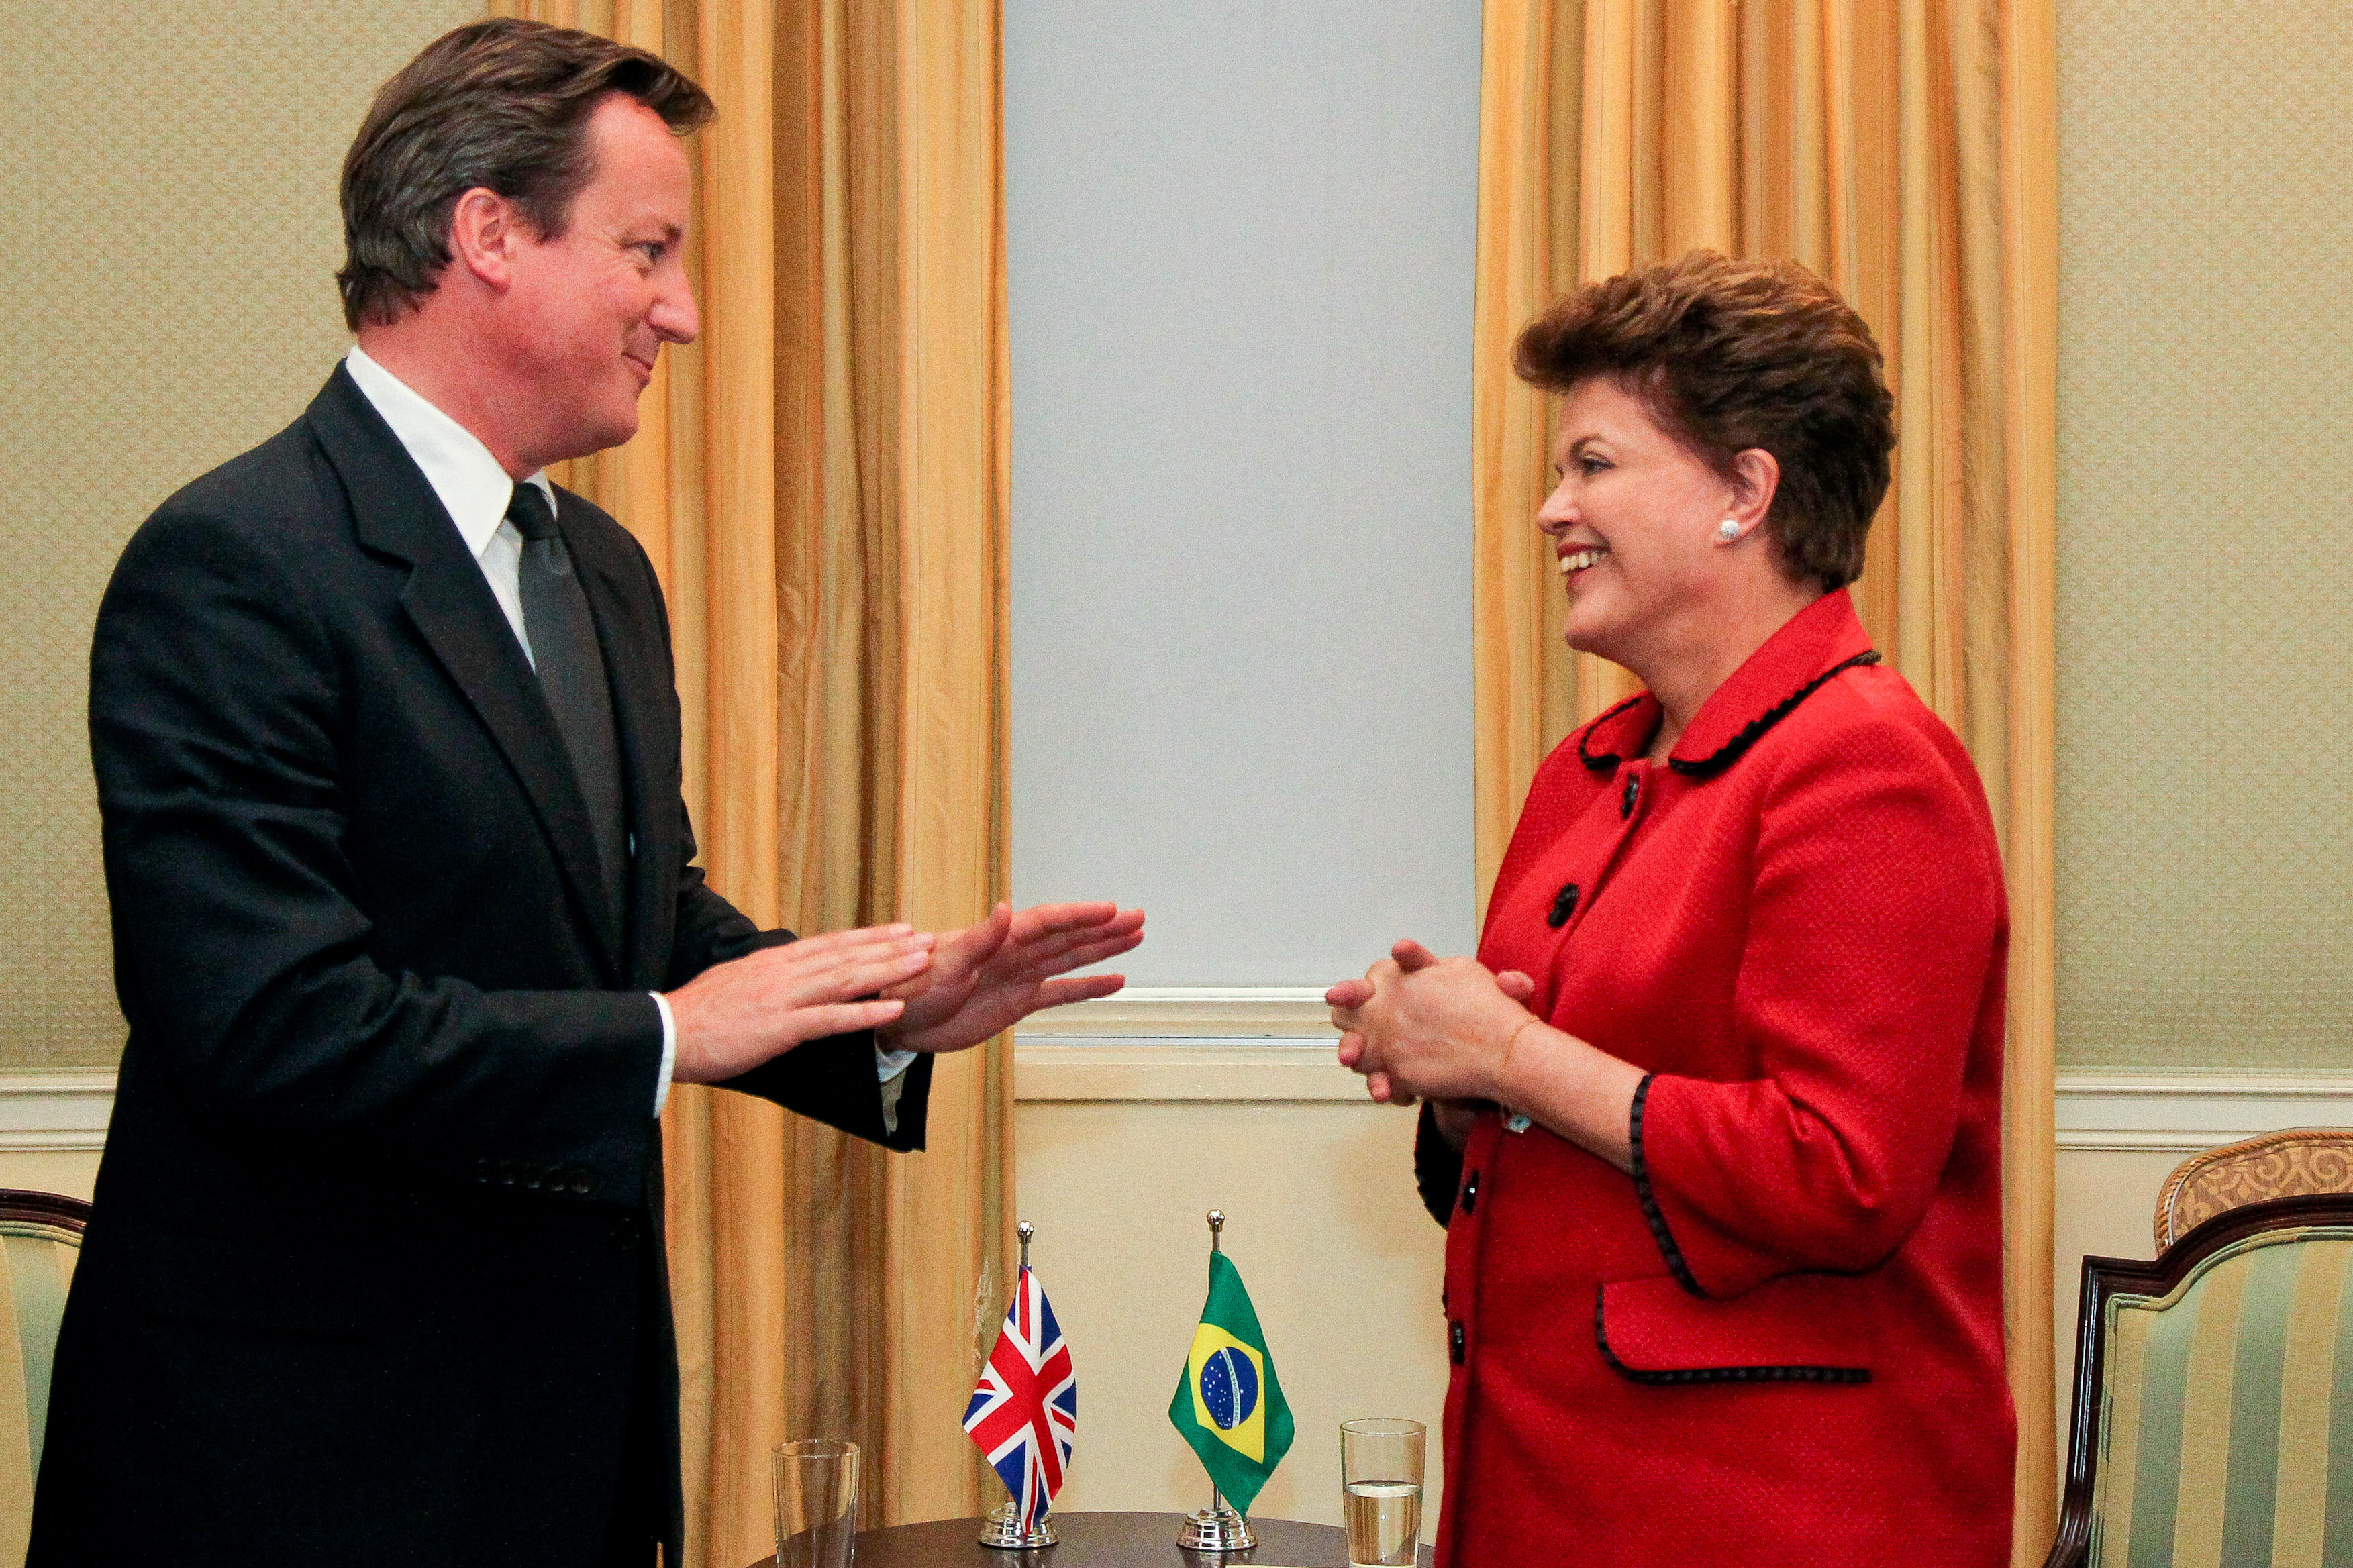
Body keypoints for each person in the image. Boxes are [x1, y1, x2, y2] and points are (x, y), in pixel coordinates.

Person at [29, 21, 1141, 1568]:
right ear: (489, 232)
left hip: (565, 1439)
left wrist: (882, 1014)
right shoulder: (234, 562)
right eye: (648, 250)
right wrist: (677, 1035)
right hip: (299, 1463)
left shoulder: (598, 569)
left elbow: (641, 918)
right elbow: (268, 1021)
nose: (678, 314)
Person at [1328, 252, 2013, 1567]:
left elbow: (1839, 1174)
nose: (1549, 509)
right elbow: (1552, 1152)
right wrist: (1451, 1076)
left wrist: (1506, 1050)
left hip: (1771, 1519)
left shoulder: (1866, 759)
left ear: (1743, 492)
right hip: (1549, 1500)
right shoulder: (1582, 776)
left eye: (1592, 464)